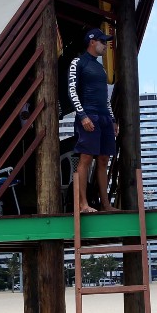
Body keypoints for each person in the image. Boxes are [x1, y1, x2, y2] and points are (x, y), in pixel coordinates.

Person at [67, 28, 119, 212]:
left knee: (104, 159)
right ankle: (83, 204)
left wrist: (112, 119)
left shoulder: (101, 67)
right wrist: (82, 116)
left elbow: (105, 95)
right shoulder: (78, 62)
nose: (105, 45)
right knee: (86, 157)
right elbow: (72, 91)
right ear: (92, 41)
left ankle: (106, 204)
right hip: (88, 114)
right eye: (103, 42)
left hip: (104, 116)